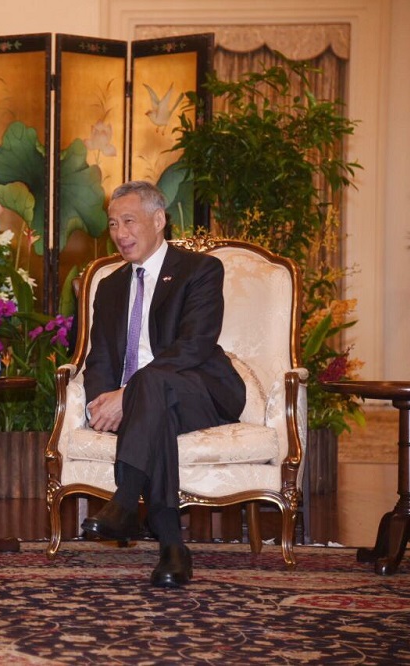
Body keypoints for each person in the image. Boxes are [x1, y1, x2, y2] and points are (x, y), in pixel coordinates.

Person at [80, 181, 245, 588]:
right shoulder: (110, 285)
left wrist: (128, 395)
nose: (120, 233)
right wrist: (102, 403)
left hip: (202, 392)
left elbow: (194, 346)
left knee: (151, 383)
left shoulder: (200, 270)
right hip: (153, 407)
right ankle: (173, 547)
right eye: (114, 224)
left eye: (129, 221)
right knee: (155, 410)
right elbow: (99, 356)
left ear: (158, 220)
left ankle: (124, 502)